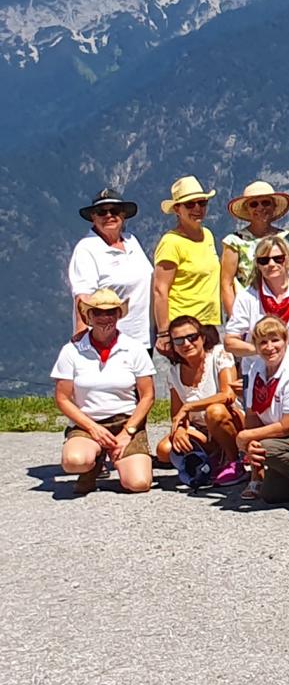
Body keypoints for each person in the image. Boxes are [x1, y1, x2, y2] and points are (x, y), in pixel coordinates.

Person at [50, 288, 155, 495]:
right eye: (98, 312)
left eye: (111, 312)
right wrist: (93, 429)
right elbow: (62, 398)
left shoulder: (134, 348)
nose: (105, 317)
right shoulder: (71, 351)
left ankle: (117, 458)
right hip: (88, 424)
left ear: (119, 315)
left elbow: (148, 395)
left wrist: (127, 432)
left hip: (126, 422)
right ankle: (93, 462)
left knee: (139, 483)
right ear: (88, 316)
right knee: (74, 461)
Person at [155, 314, 244, 489]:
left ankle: (235, 462)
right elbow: (177, 414)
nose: (186, 344)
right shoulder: (174, 372)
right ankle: (214, 457)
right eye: (179, 341)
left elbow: (228, 395)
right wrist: (179, 430)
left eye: (192, 337)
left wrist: (190, 406)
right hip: (201, 430)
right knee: (164, 450)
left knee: (214, 411)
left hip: (229, 419)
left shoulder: (219, 355)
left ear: (202, 338)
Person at [236, 315, 289, 503]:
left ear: (286, 340)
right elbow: (252, 415)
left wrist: (247, 437)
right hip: (275, 435)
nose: (269, 347)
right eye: (263, 342)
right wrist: (251, 445)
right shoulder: (256, 367)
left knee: (265, 448)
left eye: (275, 340)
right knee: (272, 495)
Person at [69, 187, 152, 350]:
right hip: (110, 343)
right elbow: (83, 297)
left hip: (145, 339)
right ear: (93, 217)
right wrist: (82, 338)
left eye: (114, 211)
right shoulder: (86, 249)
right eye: (102, 212)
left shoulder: (131, 241)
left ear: (123, 215)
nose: (109, 216)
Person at [152, 175, 222, 355]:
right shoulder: (171, 243)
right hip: (182, 328)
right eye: (190, 204)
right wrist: (163, 333)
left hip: (208, 324)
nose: (197, 208)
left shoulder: (207, 235)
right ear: (177, 209)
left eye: (202, 203)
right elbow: (160, 290)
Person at [226, 235, 289, 357]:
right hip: (258, 365)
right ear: (257, 265)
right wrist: (264, 350)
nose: (271, 264)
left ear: (288, 260)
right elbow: (230, 342)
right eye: (264, 261)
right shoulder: (246, 297)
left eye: (278, 259)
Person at [220, 181, 289, 320]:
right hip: (248, 310)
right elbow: (226, 284)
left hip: (284, 309)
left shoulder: (288, 238)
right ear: (247, 209)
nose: (260, 208)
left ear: (273, 206)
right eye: (254, 204)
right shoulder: (234, 241)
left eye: (265, 203)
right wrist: (235, 319)